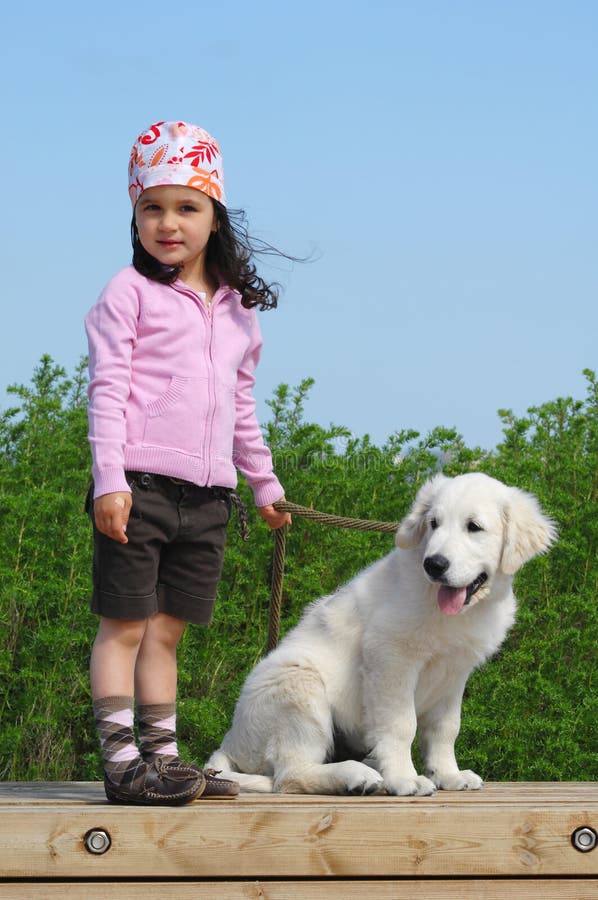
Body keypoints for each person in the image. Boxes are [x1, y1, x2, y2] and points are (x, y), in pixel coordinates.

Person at [85, 120, 291, 805]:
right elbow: (108, 389)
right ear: (135, 215)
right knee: (125, 624)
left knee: (167, 631)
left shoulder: (237, 314)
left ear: (215, 215)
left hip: (208, 496)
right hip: (137, 485)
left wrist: (264, 482)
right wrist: (109, 480)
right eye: (152, 207)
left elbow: (240, 406)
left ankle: (164, 761)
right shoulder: (128, 292)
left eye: (186, 206)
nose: (167, 222)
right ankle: (122, 765)